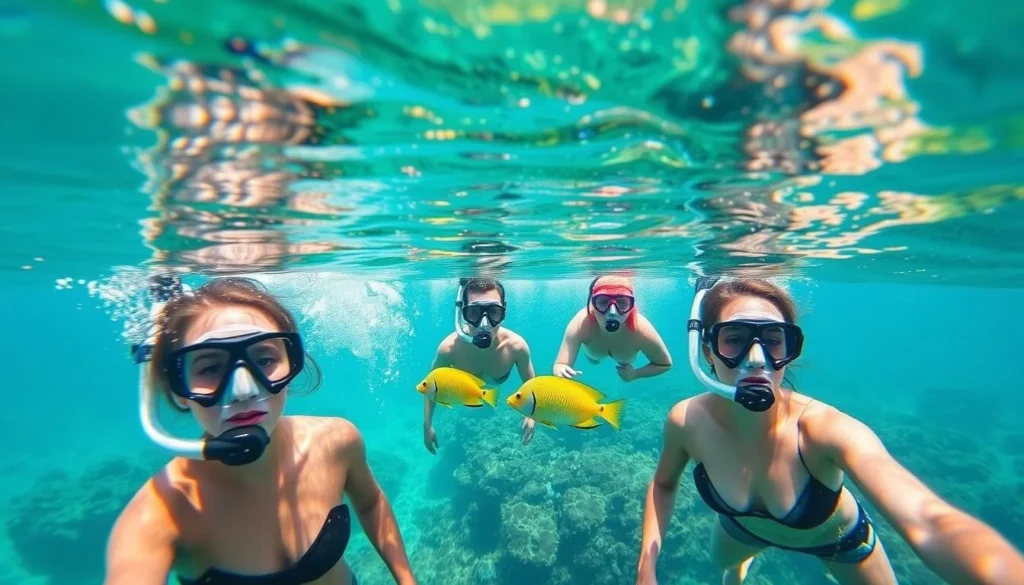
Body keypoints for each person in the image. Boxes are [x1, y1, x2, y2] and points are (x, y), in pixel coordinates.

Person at [636, 277, 1024, 585]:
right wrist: (645, 570)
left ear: (791, 351)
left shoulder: (823, 428)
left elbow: (928, 518)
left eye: (773, 341)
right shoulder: (686, 420)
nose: (756, 360)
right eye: (735, 340)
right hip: (741, 530)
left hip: (839, 545)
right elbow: (664, 484)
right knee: (726, 569)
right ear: (707, 350)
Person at [105, 276, 417, 585]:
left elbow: (371, 503)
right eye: (211, 368)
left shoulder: (336, 441)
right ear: (177, 389)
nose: (244, 390)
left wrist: (406, 579)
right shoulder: (160, 513)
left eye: (264, 359)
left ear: (291, 363)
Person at [423, 277, 539, 450]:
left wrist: (532, 416)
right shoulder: (449, 349)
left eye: (493, 312)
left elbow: (532, 387)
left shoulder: (516, 347)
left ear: (504, 311)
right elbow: (430, 388)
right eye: (474, 313)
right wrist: (427, 427)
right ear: (463, 313)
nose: (484, 324)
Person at [552, 275, 672, 384]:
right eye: (603, 302)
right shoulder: (580, 323)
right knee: (593, 360)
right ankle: (594, 360)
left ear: (632, 306)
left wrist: (636, 374)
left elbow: (664, 364)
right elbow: (561, 364)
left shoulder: (641, 329)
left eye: (622, 303)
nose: (612, 312)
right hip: (597, 355)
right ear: (592, 304)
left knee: (604, 359)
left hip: (621, 359)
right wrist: (561, 369)